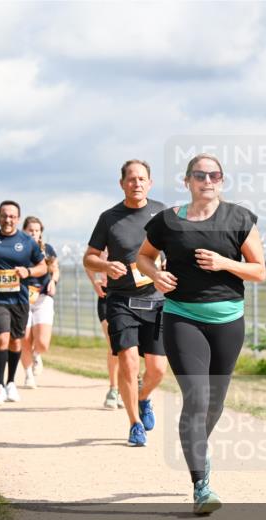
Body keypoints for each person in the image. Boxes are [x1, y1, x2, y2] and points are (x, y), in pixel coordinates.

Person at [136, 153, 266, 514]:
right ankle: (202, 485)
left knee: (215, 402)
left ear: (221, 181)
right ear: (187, 181)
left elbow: (259, 271)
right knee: (196, 396)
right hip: (182, 317)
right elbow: (143, 258)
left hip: (228, 320)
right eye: (199, 175)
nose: (207, 181)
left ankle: (194, 443)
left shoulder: (239, 218)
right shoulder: (167, 221)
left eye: (214, 175)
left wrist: (225, 263)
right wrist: (156, 275)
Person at [84, 159, 168, 446]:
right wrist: (106, 267)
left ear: (150, 182)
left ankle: (143, 397)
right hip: (121, 301)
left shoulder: (162, 213)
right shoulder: (109, 218)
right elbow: (90, 257)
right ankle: (134, 424)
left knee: (157, 369)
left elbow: (177, 248)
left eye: (142, 179)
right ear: (122, 184)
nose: (137, 184)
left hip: (156, 301)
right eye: (131, 179)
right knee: (128, 361)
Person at [0, 201, 47, 405]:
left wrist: (28, 271)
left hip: (19, 298)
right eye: (4, 215)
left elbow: (43, 267)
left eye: (12, 216)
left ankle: (11, 383)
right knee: (2, 339)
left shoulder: (27, 241)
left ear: (18, 219)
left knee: (15, 341)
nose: (8, 219)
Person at [20, 216, 58, 390]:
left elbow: (55, 269)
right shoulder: (18, 248)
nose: (34, 233)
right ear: (24, 231)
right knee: (25, 338)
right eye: (30, 230)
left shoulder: (47, 249)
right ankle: (28, 375)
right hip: (23, 297)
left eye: (37, 230)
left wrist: (53, 281)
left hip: (42, 297)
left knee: (43, 342)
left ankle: (37, 354)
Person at [86, 253, 121, 409]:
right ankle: (114, 389)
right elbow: (87, 262)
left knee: (130, 346)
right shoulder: (101, 245)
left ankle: (128, 386)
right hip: (106, 296)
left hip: (126, 295)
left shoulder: (133, 239)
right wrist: (95, 281)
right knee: (114, 345)